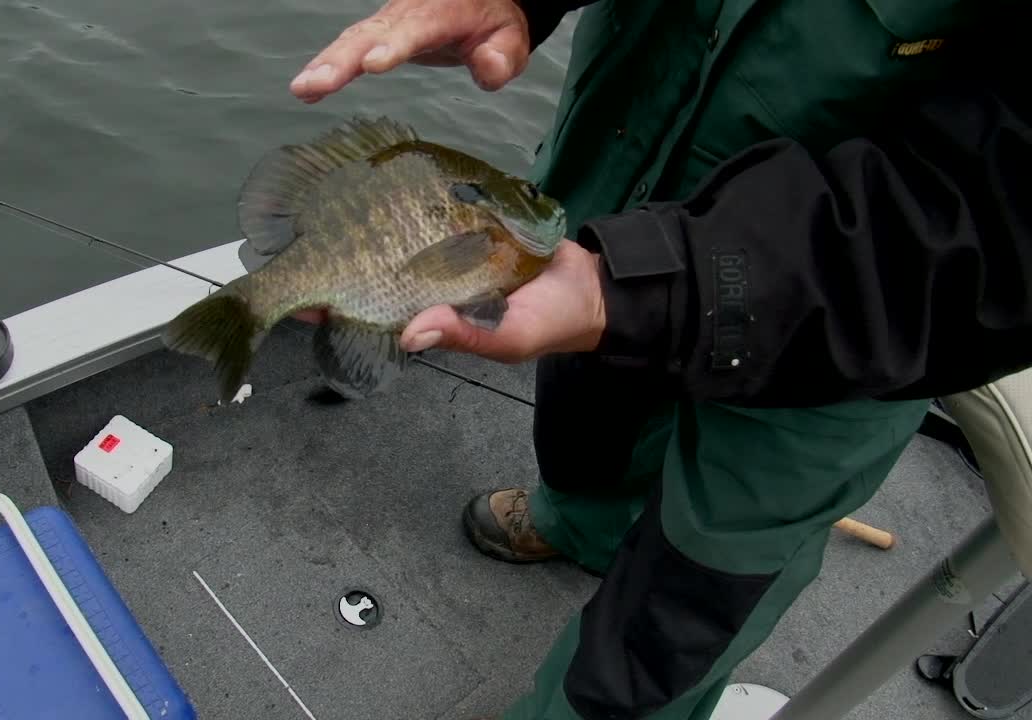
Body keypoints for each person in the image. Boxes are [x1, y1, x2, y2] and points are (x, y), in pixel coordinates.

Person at [285, 1, 1032, 718]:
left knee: (679, 614)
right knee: (584, 432)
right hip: (613, 207)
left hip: (860, 323)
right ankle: (581, 525)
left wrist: (658, 289)